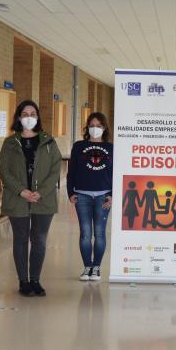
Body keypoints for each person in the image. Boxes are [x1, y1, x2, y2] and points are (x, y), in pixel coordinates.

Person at [0, 100, 62, 297]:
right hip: (17, 199)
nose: (29, 117)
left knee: (39, 240)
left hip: (44, 199)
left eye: (32, 113)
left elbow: (55, 169)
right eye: (25, 114)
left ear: (37, 117)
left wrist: (41, 191)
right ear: (18, 117)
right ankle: (23, 282)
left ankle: (35, 279)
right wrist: (21, 191)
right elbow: (4, 170)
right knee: (20, 240)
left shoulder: (49, 142)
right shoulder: (10, 143)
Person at [67, 112, 113, 281]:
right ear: (87, 127)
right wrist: (70, 192)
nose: (95, 129)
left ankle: (97, 267)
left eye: (99, 126)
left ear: (104, 128)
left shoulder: (111, 148)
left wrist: (112, 195)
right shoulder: (79, 146)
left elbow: (115, 172)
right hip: (82, 195)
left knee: (100, 233)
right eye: (92, 125)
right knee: (85, 233)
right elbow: (72, 171)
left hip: (103, 195)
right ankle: (87, 267)